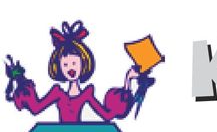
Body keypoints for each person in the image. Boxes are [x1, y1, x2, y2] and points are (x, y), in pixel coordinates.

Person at [7, 20, 136, 124]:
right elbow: (36, 108)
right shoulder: (57, 93)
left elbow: (107, 116)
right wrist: (19, 79)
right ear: (59, 67)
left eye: (74, 63)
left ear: (83, 63)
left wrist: (128, 81)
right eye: (65, 64)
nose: (70, 68)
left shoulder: (87, 94)